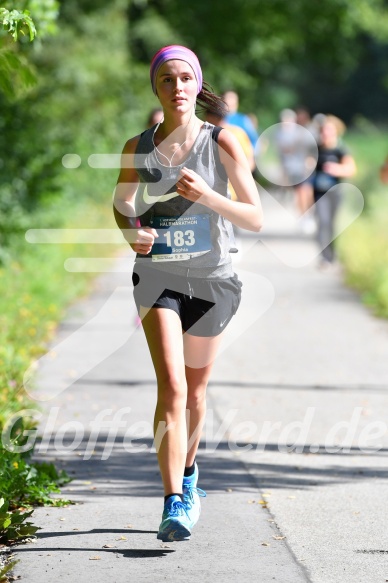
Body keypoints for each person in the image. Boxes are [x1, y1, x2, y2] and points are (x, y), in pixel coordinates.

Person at [113, 45, 262, 542]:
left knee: (195, 393)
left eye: (184, 79)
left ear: (197, 86)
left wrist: (209, 196)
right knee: (173, 388)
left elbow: (255, 216)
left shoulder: (223, 141)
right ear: (155, 88)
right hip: (157, 277)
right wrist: (130, 230)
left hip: (214, 281)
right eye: (166, 80)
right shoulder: (138, 145)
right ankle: (173, 500)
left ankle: (190, 473)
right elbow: (121, 202)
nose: (176, 87)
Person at [313, 115, 356, 268]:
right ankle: (324, 256)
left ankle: (332, 254)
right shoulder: (316, 148)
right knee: (323, 222)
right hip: (319, 193)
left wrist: (337, 169)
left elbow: (351, 169)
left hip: (336, 192)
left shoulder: (340, 149)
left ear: (336, 132)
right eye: (323, 130)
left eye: (329, 130)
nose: (325, 133)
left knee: (332, 224)